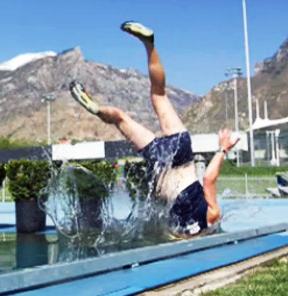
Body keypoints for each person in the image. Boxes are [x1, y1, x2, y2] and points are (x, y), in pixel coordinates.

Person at [70, 21, 239, 238]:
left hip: (181, 150)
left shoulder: (213, 214)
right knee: (120, 119)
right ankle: (97, 109)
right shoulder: (184, 230)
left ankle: (149, 44)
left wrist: (223, 149)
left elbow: (208, 179)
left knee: (158, 94)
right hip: (160, 163)